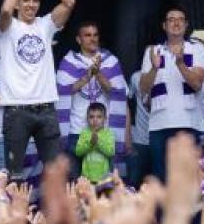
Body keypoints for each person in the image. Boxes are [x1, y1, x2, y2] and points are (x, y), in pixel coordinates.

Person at [0, 0, 75, 179]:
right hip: (17, 110)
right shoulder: (7, 28)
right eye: (26, 0)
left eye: (35, 0)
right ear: (19, 3)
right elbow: (6, 9)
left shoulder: (45, 25)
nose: (30, 4)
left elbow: (69, 2)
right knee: (14, 176)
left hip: (47, 109)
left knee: (55, 177)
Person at [138, 6, 204, 180]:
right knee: (161, 180)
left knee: (188, 179)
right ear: (164, 25)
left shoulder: (197, 49)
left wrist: (180, 63)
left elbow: (197, 84)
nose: (176, 23)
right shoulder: (152, 51)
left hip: (188, 123)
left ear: (186, 25)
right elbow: (143, 88)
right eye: (171, 19)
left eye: (180, 19)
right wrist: (154, 68)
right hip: (159, 124)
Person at [57, 22, 128, 179]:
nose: (92, 39)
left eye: (95, 35)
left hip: (104, 132)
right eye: (87, 35)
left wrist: (99, 74)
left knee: (105, 184)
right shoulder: (68, 62)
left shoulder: (110, 61)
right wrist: (87, 76)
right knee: (75, 184)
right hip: (77, 132)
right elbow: (62, 92)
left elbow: (117, 93)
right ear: (78, 39)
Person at [74, 103, 116, 183]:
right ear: (87, 119)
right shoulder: (84, 133)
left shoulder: (108, 133)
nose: (95, 120)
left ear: (105, 119)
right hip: (87, 178)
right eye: (91, 117)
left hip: (104, 179)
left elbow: (111, 152)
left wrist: (98, 142)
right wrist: (90, 143)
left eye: (99, 117)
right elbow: (78, 152)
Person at [126, 71, 151, 187]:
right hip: (139, 138)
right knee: (134, 184)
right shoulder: (136, 76)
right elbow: (129, 103)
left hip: (160, 139)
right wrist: (129, 138)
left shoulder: (169, 76)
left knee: (157, 184)